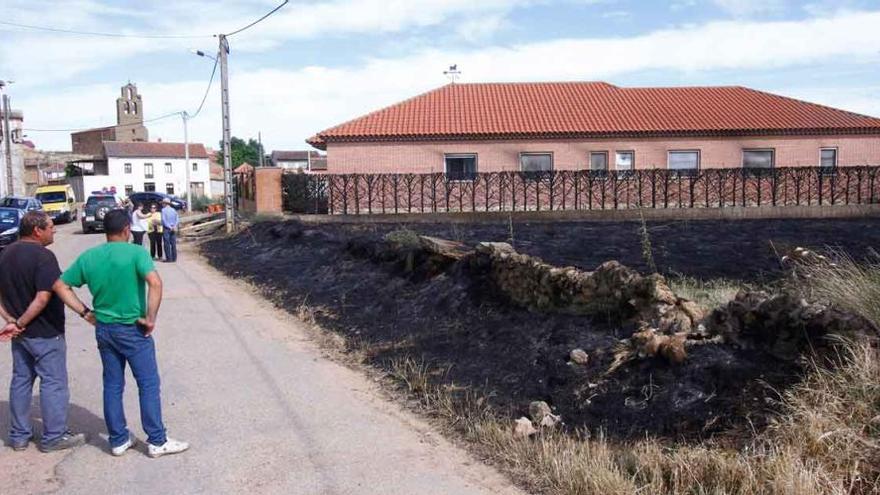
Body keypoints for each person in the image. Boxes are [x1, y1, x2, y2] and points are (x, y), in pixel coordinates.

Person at [54, 209, 188, 458]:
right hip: (132, 329)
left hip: (104, 329)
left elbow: (61, 285)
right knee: (148, 384)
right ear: (127, 229)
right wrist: (150, 319)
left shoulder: (89, 257)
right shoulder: (136, 252)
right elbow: (155, 283)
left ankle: (118, 439)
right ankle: (157, 440)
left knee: (113, 384)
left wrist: (85, 313)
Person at [0, 211, 88, 452]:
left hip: (21, 335)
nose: (55, 230)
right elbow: (43, 297)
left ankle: (18, 436)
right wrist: (18, 323)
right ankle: (54, 436)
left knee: (21, 381)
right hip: (45, 333)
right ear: (37, 230)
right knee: (53, 383)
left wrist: (11, 319)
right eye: (50, 227)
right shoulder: (44, 257)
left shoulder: (6, 253)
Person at [160, 198, 179, 263]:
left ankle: (169, 258)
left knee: (167, 243)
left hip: (166, 228)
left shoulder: (163, 210)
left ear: (165, 203)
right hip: (173, 227)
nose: (162, 204)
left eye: (163, 203)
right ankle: (174, 258)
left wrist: (169, 227)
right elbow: (177, 219)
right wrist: (174, 226)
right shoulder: (173, 210)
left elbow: (164, 220)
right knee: (173, 243)